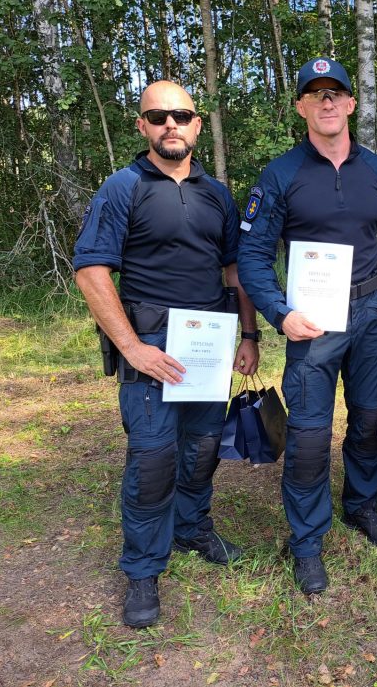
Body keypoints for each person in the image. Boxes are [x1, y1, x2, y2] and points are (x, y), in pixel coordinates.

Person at [73, 81, 260, 628]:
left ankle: (193, 528)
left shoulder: (218, 194)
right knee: (153, 460)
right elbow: (92, 271)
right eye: (158, 117)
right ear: (142, 126)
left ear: (197, 123)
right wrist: (132, 346)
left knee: (202, 449)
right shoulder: (122, 187)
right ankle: (142, 567)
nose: (170, 125)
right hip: (150, 347)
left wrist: (247, 336)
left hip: (208, 344)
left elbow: (234, 271)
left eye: (181, 115)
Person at [237, 57, 377, 595]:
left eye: (334, 92)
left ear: (350, 103)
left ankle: (362, 507)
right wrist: (279, 311)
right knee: (310, 435)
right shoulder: (281, 175)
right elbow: (251, 255)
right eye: (313, 94)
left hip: (370, 315)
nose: (325, 101)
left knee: (368, 422)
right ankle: (307, 539)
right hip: (312, 322)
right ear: (300, 106)